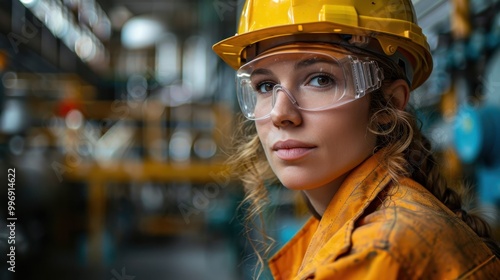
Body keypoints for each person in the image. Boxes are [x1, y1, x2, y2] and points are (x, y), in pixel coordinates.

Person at [213, 0, 500, 279]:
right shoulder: (374, 230)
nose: (280, 113)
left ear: (387, 105)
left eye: (320, 79)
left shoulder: (378, 255)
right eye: (265, 85)